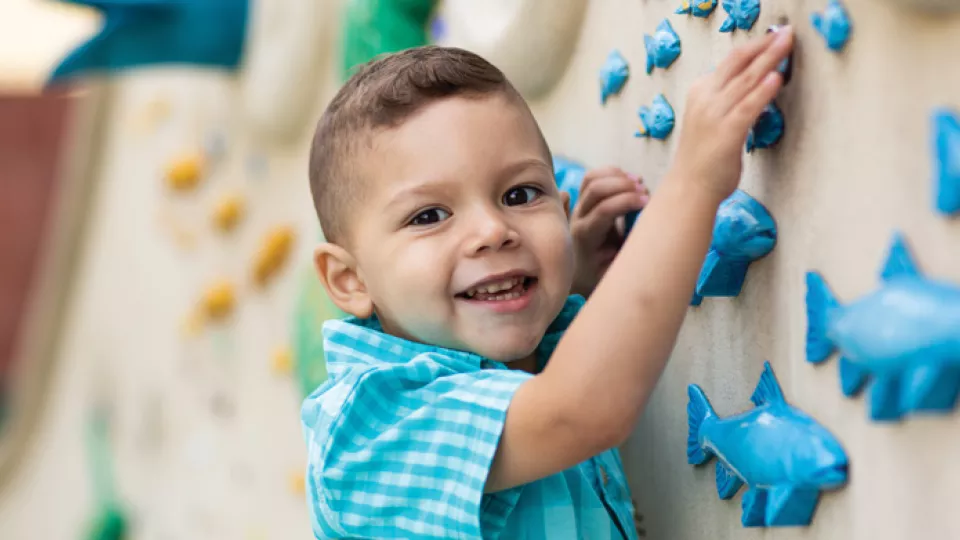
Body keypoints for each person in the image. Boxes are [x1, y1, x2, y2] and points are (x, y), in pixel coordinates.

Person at [301, 26, 795, 540]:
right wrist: (693, 182)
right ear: (350, 280)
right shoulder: (368, 430)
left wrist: (566, 277)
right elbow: (576, 411)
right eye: (429, 215)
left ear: (561, 215)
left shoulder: (526, 353)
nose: (492, 231)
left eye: (519, 195)